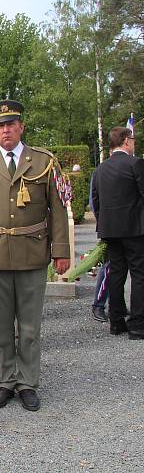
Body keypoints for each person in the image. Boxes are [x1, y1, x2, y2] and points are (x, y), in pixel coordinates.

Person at [0, 100, 70, 412]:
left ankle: (27, 382)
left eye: (11, 124)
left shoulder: (45, 162)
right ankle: (4, 381)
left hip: (32, 253)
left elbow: (59, 210)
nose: (6, 129)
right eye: (0, 125)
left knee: (29, 325)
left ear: (21, 127)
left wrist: (61, 251)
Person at [90, 126, 144, 340]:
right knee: (139, 275)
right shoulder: (135, 163)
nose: (134, 143)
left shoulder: (100, 169)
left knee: (116, 273)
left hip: (110, 230)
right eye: (133, 139)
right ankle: (138, 325)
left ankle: (116, 321)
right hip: (135, 229)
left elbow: (96, 201)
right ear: (125, 141)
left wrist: (104, 225)